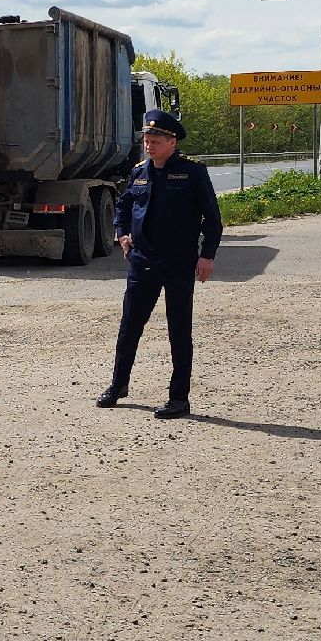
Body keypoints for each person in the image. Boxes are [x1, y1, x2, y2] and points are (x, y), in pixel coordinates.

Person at [99, 109, 222, 419]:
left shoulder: (193, 173)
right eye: (146, 141)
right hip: (142, 261)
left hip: (179, 262)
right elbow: (124, 206)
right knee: (129, 327)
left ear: (172, 141)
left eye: (155, 141)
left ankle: (179, 399)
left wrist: (207, 255)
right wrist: (121, 233)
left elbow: (213, 219)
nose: (149, 146)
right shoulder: (139, 172)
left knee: (179, 331)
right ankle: (118, 385)